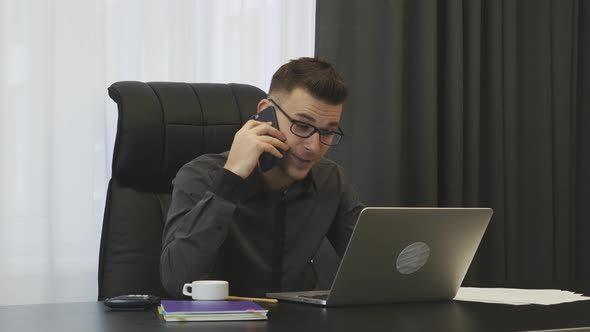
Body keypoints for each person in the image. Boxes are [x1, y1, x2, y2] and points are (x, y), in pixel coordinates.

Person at [160, 57, 365, 298]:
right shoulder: (199, 176)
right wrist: (231, 179)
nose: (313, 146)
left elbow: (374, 268)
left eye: (327, 131)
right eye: (301, 125)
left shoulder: (331, 180)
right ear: (266, 113)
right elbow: (176, 282)